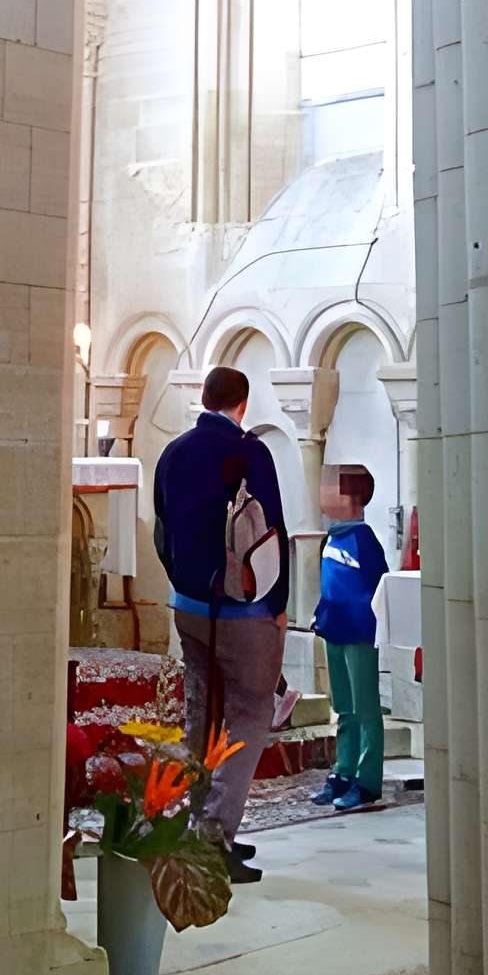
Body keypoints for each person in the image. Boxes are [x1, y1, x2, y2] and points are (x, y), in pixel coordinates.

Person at [152, 364, 289, 880]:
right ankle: (214, 838)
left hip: (188, 605)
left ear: (204, 398)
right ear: (242, 404)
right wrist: (278, 605)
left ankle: (195, 827)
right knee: (250, 715)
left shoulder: (174, 451)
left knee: (201, 714)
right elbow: (271, 532)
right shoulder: (250, 452)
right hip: (243, 611)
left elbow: (161, 528)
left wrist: (182, 584)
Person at [310, 464, 388, 812]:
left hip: (358, 633)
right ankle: (342, 771)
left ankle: (367, 780)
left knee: (365, 707)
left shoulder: (364, 539)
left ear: (354, 498)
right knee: (343, 707)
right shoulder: (331, 538)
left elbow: (378, 585)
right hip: (334, 629)